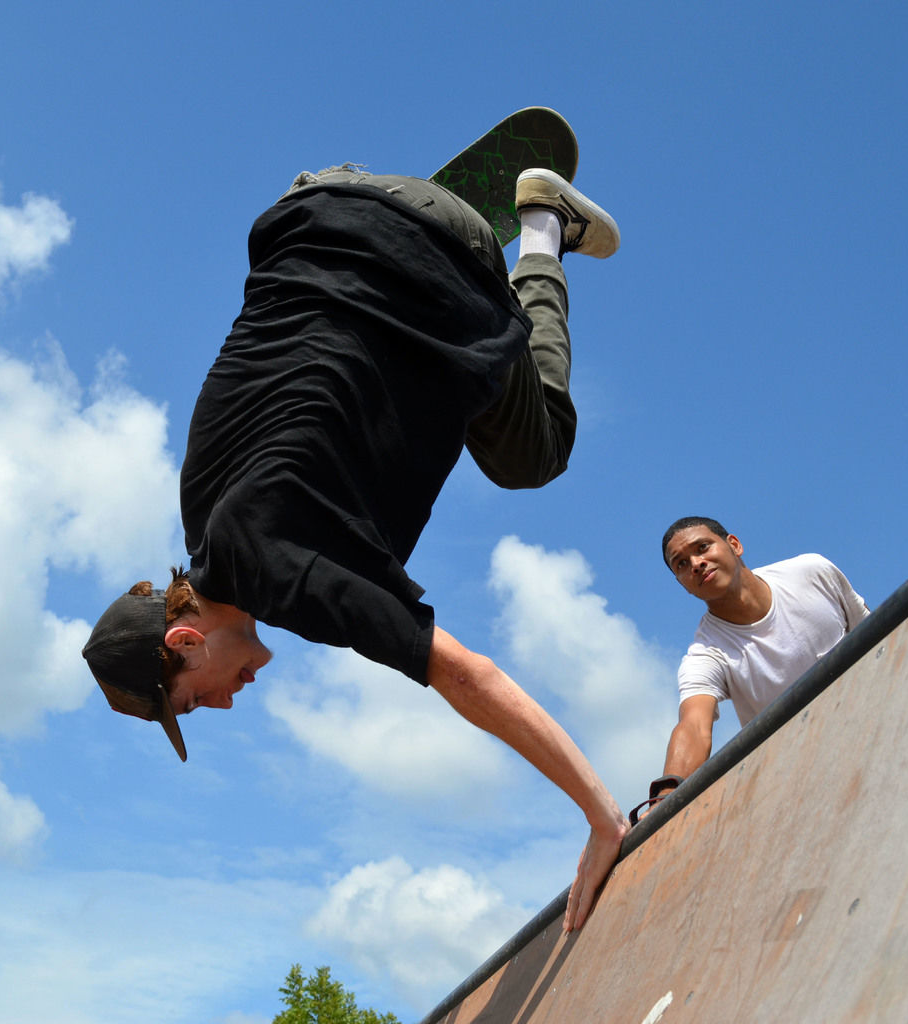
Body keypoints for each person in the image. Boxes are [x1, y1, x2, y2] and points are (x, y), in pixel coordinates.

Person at [82, 163, 629, 931]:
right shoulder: (200, 510)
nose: (227, 701)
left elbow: (468, 677)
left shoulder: (284, 578)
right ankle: (405, 235)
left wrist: (600, 816)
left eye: (197, 698)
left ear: (184, 639)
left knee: (531, 458)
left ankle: (543, 230)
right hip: (310, 210)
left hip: (445, 260)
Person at [631, 516, 868, 822]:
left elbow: (881, 637)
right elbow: (694, 726)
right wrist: (662, 804)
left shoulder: (813, 573)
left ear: (734, 545)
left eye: (702, 547)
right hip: (810, 781)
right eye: (681, 564)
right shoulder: (706, 654)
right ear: (683, 586)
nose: (696, 563)